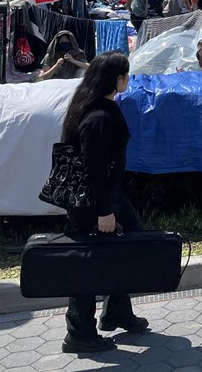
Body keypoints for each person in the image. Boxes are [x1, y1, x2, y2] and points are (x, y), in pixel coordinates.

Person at [57, 52, 149, 353]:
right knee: (90, 263)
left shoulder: (98, 105)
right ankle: (79, 332)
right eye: (126, 75)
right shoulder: (97, 117)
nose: (128, 79)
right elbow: (93, 168)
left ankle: (117, 310)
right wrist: (105, 211)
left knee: (128, 249)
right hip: (96, 202)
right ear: (116, 79)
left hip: (108, 196)